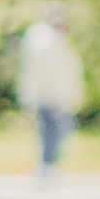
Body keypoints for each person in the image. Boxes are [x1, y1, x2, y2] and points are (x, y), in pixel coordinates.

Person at [20, 15, 83, 177]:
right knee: (52, 132)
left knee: (59, 131)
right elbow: (46, 76)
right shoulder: (48, 47)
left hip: (57, 97)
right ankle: (47, 167)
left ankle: (50, 165)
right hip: (50, 98)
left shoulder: (59, 47)